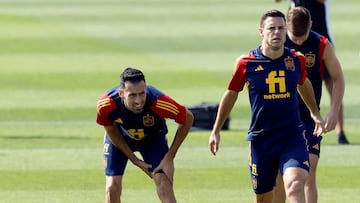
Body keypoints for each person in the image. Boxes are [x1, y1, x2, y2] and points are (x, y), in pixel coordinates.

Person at [208, 9, 326, 203]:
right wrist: (216, 130)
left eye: (281, 28)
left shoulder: (296, 59)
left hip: (292, 136)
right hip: (262, 139)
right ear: (261, 31)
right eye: (272, 28)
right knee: (263, 198)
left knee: (295, 185)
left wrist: (315, 113)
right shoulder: (246, 63)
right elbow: (231, 94)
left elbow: (303, 83)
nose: (277, 32)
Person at [273, 7, 345, 203]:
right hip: (279, 120)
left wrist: (333, 111)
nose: (298, 42)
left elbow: (338, 78)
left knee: (307, 173)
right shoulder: (275, 43)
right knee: (278, 179)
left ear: (311, 26)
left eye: (303, 37)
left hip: (309, 120)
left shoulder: (321, 44)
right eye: (294, 37)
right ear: (286, 26)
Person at [96, 67, 194, 203]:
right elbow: (111, 130)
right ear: (121, 93)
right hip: (120, 139)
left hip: (152, 139)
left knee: (164, 183)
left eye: (142, 93)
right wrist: (134, 159)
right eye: (132, 95)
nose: (139, 101)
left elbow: (188, 117)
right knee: (112, 186)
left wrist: (170, 156)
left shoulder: (159, 101)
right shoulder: (106, 104)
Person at [274, 0, 349, 145]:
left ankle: (339, 130)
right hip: (293, 33)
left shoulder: (322, 43)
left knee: (330, 82)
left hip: (318, 33)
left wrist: (332, 112)